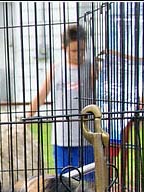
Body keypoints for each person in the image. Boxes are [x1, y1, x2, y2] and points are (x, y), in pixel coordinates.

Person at [29, 24, 96, 180]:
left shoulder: (90, 68)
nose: (78, 54)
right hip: (62, 138)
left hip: (86, 138)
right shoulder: (56, 69)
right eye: (74, 51)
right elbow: (41, 95)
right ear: (64, 48)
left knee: (88, 183)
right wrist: (26, 117)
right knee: (64, 184)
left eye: (82, 50)